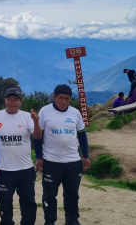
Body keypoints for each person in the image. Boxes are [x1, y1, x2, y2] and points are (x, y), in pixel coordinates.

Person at [36, 84, 90, 225]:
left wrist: (85, 156)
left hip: (73, 161)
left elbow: (82, 135)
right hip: (51, 161)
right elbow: (37, 137)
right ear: (54, 97)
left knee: (72, 195)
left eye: (67, 99)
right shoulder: (44, 111)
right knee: (49, 196)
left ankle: (72, 220)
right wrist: (39, 157)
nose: (64, 102)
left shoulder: (75, 113)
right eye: (61, 98)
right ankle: (49, 221)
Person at [0, 88, 42, 225]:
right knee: (5, 202)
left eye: (16, 99)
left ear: (20, 101)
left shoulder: (27, 116)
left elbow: (38, 136)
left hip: (25, 169)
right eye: (9, 99)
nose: (12, 102)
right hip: (5, 169)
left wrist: (37, 122)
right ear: (5, 101)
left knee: (28, 202)